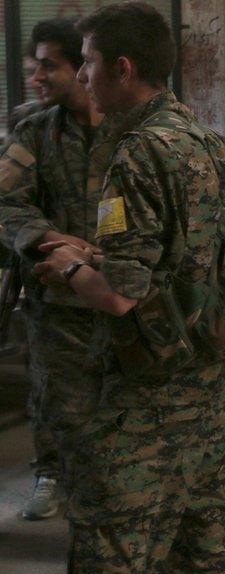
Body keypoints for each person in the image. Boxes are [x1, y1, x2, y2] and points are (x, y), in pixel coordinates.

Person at [32, 3, 225, 574]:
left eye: (89, 62)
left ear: (122, 68)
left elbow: (122, 297)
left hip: (144, 409)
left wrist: (67, 268)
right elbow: (192, 260)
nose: (84, 77)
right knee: (202, 572)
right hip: (206, 396)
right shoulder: (207, 140)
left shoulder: (138, 154)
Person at [0, 18, 112, 521]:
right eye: (33, 67)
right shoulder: (36, 130)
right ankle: (52, 473)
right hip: (56, 295)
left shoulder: (131, 129)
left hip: (120, 289)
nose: (38, 77)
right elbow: (5, 201)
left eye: (49, 66)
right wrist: (51, 238)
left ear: (82, 68)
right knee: (55, 399)